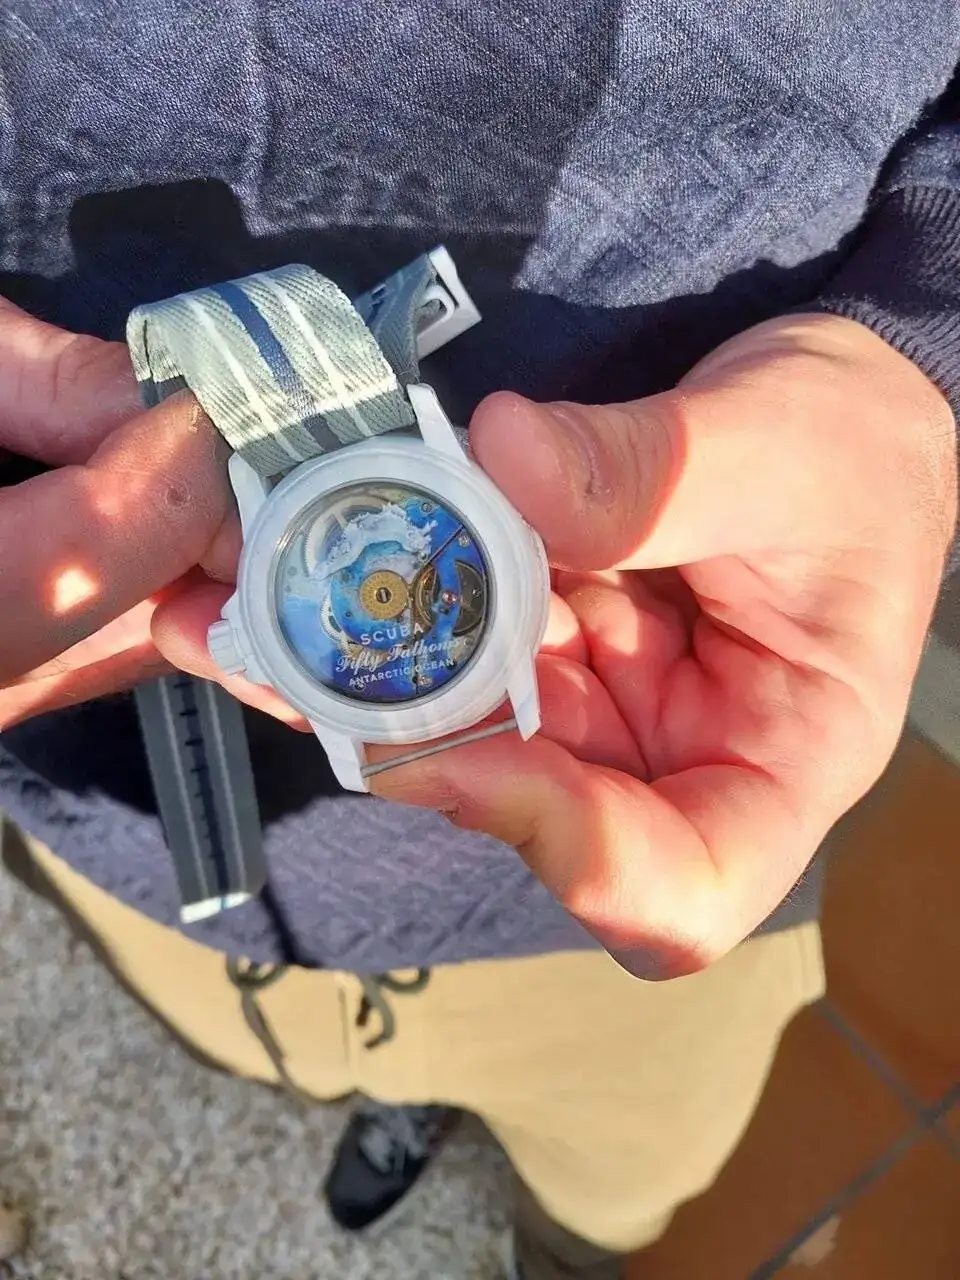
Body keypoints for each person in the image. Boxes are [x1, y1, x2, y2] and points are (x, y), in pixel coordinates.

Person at [1, 2, 958, 1276]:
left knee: (620, 1194)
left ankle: (560, 1239)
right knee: (276, 1049)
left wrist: (920, 354)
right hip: (131, 841)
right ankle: (396, 1098)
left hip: (639, 811)